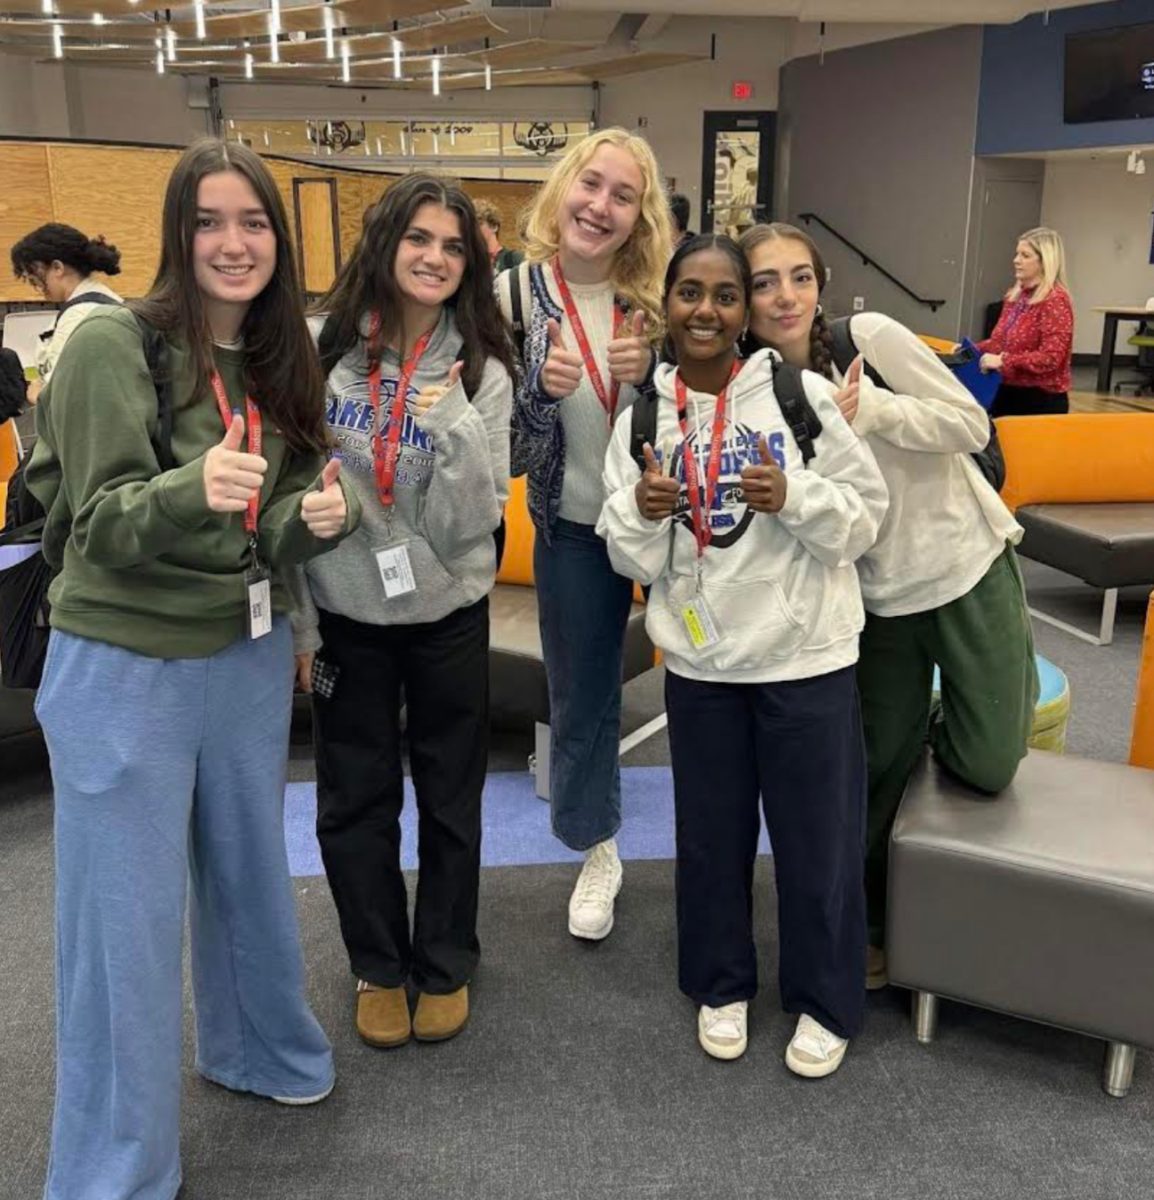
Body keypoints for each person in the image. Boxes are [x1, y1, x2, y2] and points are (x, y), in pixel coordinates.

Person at [25, 137, 360, 1200]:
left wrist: (311, 525)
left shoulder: (274, 356)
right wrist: (190, 489)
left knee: (250, 881)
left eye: (252, 222)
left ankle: (257, 1050)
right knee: (121, 929)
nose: (231, 243)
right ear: (178, 232)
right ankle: (113, 1169)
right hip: (125, 664)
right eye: (209, 222)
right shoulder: (107, 342)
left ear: (279, 238)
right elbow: (87, 530)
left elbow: (258, 543)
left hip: (243, 655)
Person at [598, 234, 888, 1074]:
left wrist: (794, 493)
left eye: (727, 295)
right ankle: (720, 983)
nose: (708, 311)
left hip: (807, 662)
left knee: (817, 842)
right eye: (691, 293)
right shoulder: (644, 414)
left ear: (744, 311)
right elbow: (627, 557)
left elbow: (866, 517)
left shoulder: (797, 396)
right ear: (668, 304)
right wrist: (645, 512)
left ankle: (826, 999)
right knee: (710, 838)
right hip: (703, 668)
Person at [740, 222, 1038, 987]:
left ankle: (939, 726)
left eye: (800, 277)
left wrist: (870, 411)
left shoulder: (866, 338)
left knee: (991, 758)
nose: (786, 296)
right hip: (874, 600)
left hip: (963, 563)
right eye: (766, 281)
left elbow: (972, 424)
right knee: (868, 775)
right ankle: (871, 924)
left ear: (821, 285)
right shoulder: (756, 382)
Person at [291, 175, 514, 1049]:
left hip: (448, 616)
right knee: (354, 797)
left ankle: (446, 957)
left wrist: (451, 420)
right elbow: (296, 498)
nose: (435, 258)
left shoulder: (484, 369)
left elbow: (473, 521)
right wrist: (305, 629)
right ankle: (378, 963)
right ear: (384, 245)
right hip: (347, 615)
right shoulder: (322, 355)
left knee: (452, 796)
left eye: (454, 246)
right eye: (419, 238)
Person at [496, 128, 673, 942]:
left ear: (640, 216)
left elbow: (704, 419)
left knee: (713, 683)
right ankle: (599, 845)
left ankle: (725, 840)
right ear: (564, 188)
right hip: (572, 530)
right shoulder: (512, 297)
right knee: (585, 694)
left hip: (671, 526)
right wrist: (535, 391)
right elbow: (496, 450)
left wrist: (654, 382)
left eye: (622, 195)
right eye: (591, 185)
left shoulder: (659, 303)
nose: (600, 206)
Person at [10, 222, 124, 400]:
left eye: (34, 280)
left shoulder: (77, 317)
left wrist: (35, 392)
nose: (37, 287)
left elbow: (54, 397)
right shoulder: (109, 300)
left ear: (57, 268)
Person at [976, 226, 1073, 417]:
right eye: (1017, 254)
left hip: (1039, 401)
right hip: (1005, 392)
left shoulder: (1055, 300)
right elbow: (1000, 342)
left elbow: (1051, 357)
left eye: (1025, 255)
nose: (1016, 261)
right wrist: (971, 350)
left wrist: (1003, 361)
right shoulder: (1015, 296)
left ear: (1045, 261)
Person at [473, 196, 524, 272]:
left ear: (494, 226)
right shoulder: (470, 262)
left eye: (479, 224)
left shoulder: (513, 259)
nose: (473, 229)